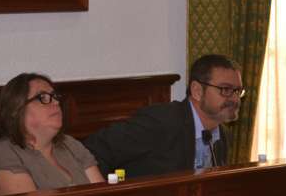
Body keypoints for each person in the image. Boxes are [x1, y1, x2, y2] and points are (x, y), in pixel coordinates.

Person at [83, 54, 244, 179]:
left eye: (238, 91)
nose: (235, 99)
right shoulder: (161, 122)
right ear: (197, 91)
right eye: (226, 90)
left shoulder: (221, 135)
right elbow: (93, 150)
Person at [0, 73, 104, 196]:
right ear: (17, 108)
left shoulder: (69, 144)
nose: (56, 102)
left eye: (55, 97)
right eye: (43, 97)